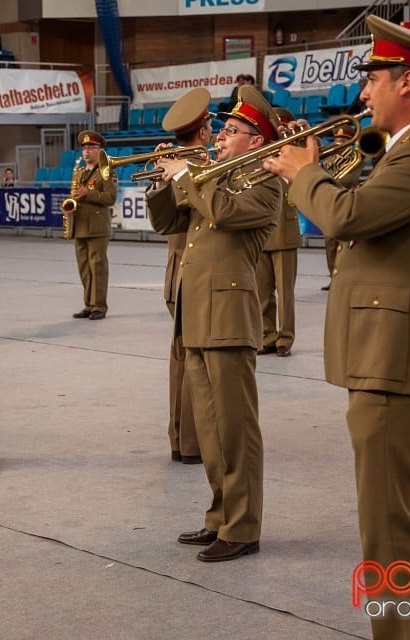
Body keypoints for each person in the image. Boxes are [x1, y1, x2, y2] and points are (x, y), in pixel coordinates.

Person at [263, 15, 410, 639]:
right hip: (396, 355)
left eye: (373, 79)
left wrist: (301, 171)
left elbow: (346, 218)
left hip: (396, 359)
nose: (362, 93)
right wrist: (318, 169)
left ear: (407, 81)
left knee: (391, 532)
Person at [148, 85, 282, 563]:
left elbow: (223, 213)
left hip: (227, 316)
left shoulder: (265, 182)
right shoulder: (212, 177)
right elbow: (169, 225)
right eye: (223, 129)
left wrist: (188, 175)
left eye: (233, 130)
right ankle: (220, 516)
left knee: (236, 428)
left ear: (255, 140)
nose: (222, 136)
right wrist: (164, 182)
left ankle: (244, 526)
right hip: (197, 314)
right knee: (209, 428)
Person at [153, 87, 214, 464]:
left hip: (183, 272)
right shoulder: (199, 167)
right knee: (190, 364)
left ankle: (182, 440)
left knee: (185, 361)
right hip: (187, 275)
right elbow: (169, 222)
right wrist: (163, 179)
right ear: (204, 132)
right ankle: (186, 441)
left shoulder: (204, 166)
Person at [256, 106, 300, 357]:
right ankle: (267, 334)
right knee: (263, 291)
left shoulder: (296, 156)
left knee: (285, 293)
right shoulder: (261, 156)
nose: (279, 134)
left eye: (283, 130)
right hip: (263, 232)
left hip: (285, 233)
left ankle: (285, 337)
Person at [68, 130, 116, 321]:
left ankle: (99, 306)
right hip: (79, 226)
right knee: (85, 268)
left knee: (98, 268)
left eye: (91, 147)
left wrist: (87, 194)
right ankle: (88, 304)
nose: (86, 151)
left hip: (97, 227)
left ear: (99, 150)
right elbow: (76, 195)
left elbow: (110, 197)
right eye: (84, 147)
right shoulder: (80, 173)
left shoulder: (106, 171)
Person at [319, 124, 365, 291]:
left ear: (350, 140)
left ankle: (349, 278)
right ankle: (333, 277)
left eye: (343, 139)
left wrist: (326, 179)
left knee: (347, 245)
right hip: (330, 203)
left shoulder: (356, 156)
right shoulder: (329, 158)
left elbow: (347, 179)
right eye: (337, 139)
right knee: (330, 244)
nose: (339, 142)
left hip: (347, 202)